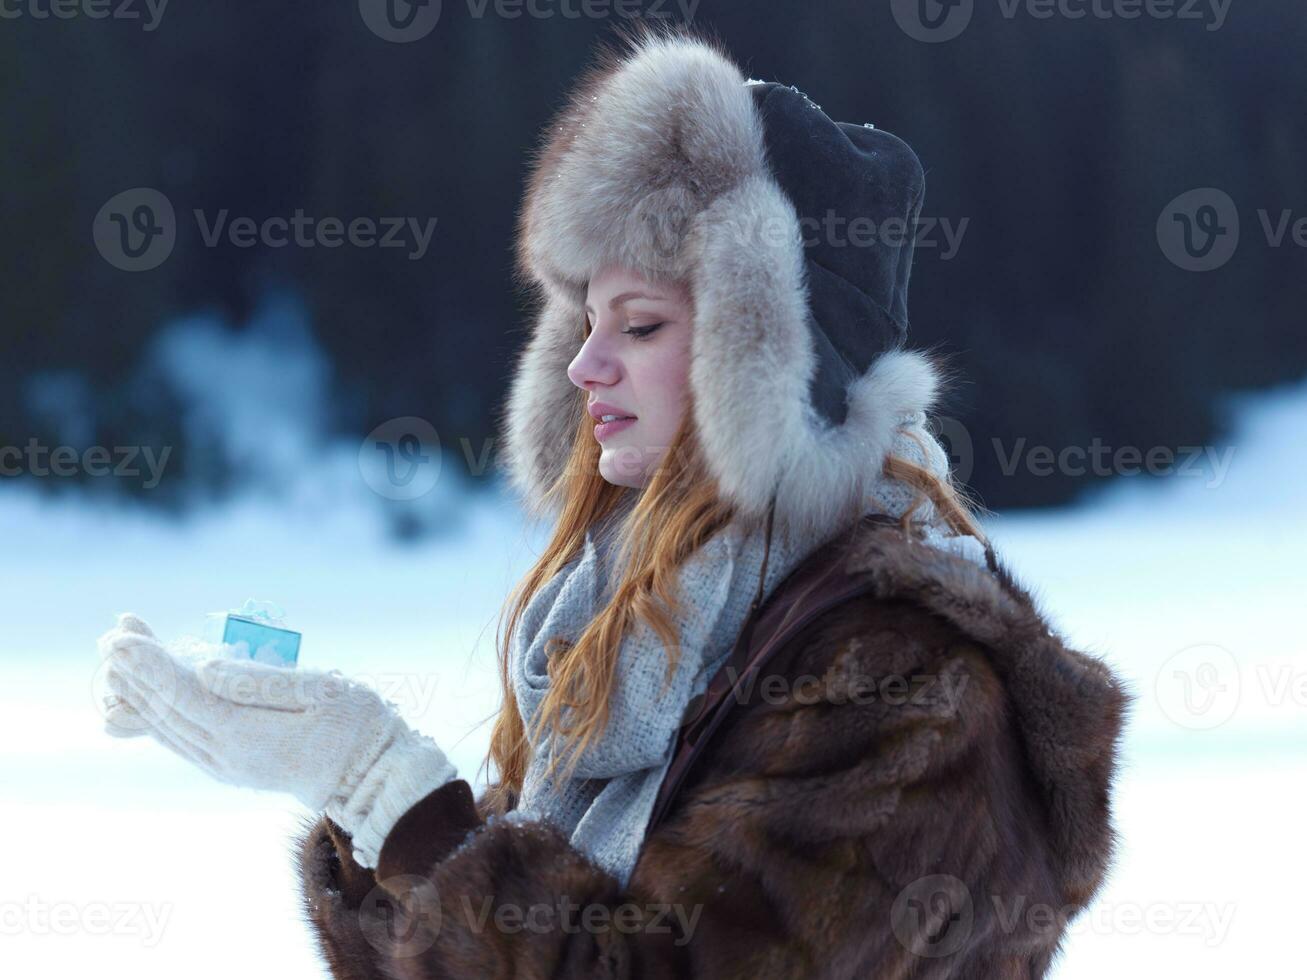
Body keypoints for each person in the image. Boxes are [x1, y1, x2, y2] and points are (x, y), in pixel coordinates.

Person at [98, 24, 1127, 979]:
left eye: (638, 325)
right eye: (582, 321)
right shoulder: (641, 627)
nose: (584, 364)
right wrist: (349, 796)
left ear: (770, 358)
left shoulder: (906, 681)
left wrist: (390, 791)